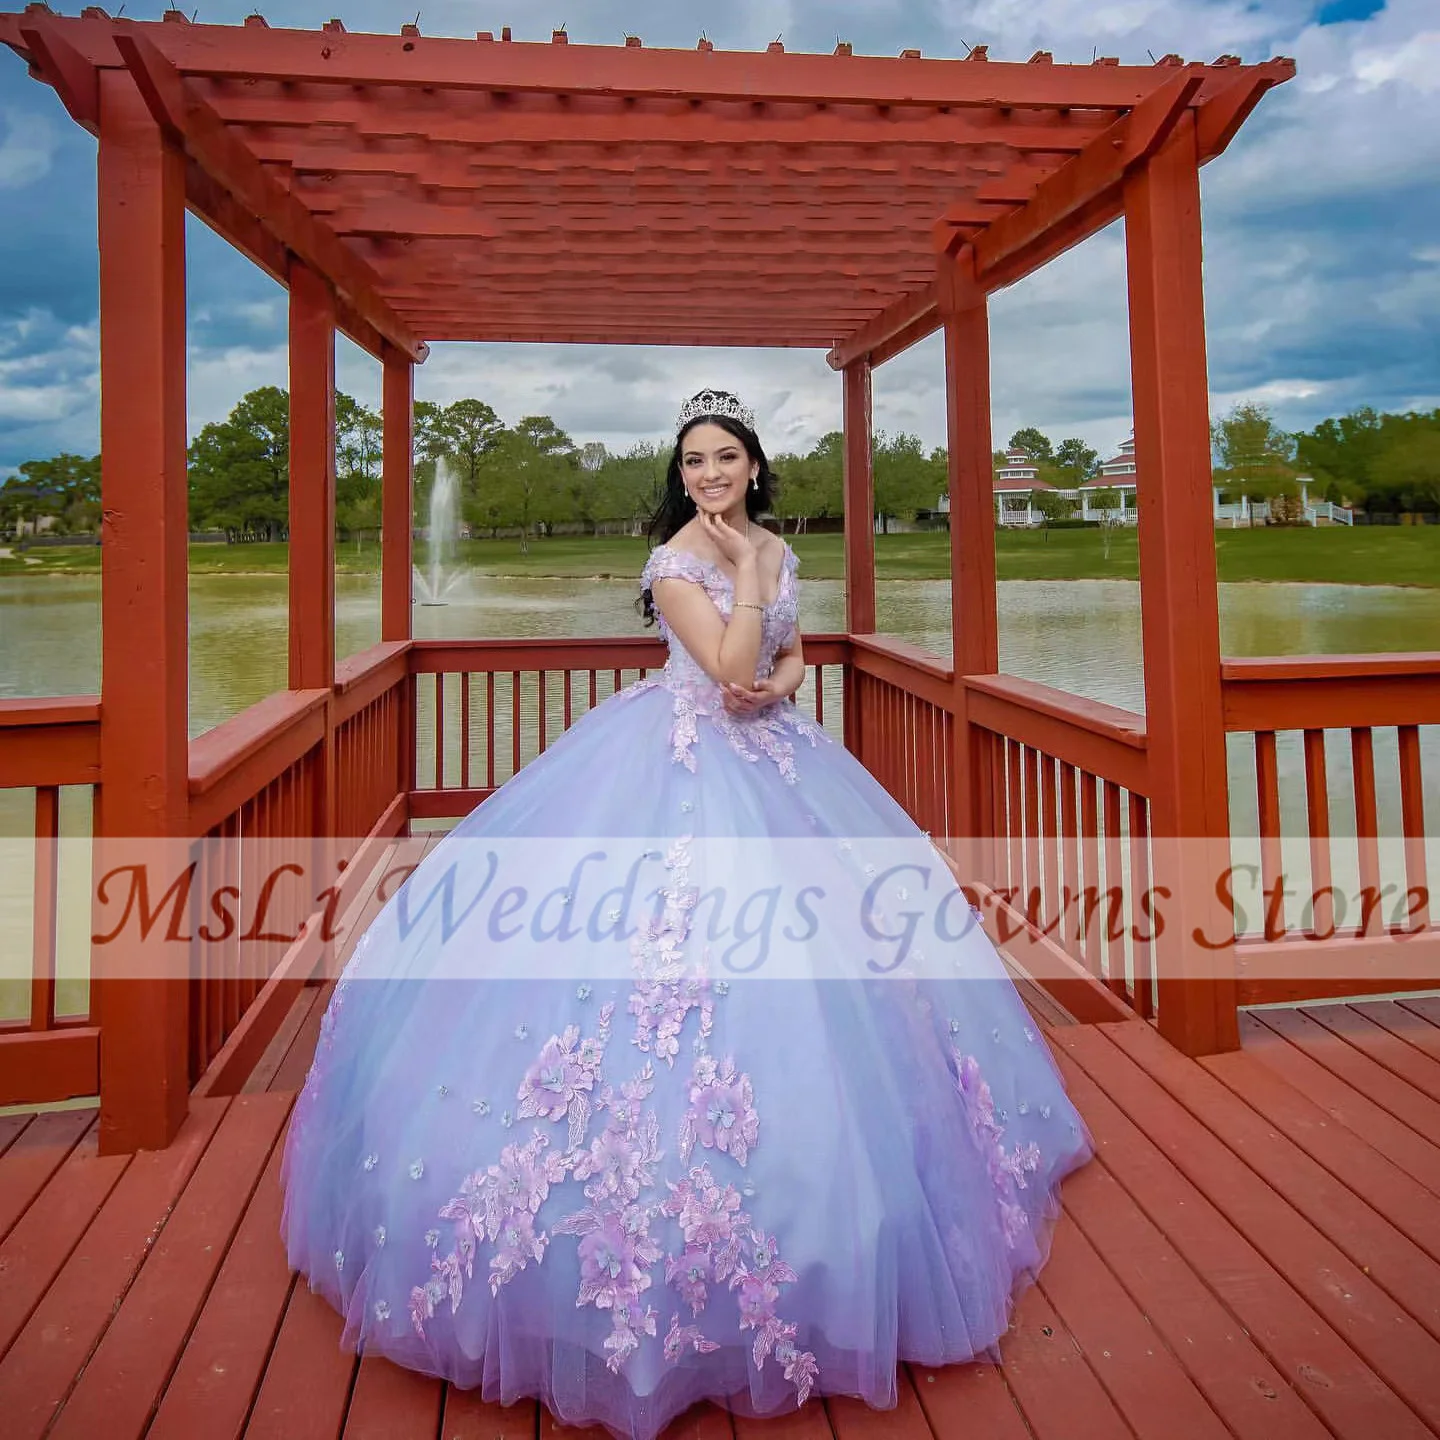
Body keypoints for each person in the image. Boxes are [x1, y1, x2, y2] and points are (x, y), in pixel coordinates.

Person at [281, 388, 1091, 1440]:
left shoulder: (772, 550)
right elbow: (722, 665)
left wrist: (786, 666)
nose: (710, 474)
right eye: (694, 461)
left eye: (726, 457)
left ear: (755, 464)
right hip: (673, 771)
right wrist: (752, 608)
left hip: (775, 761)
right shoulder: (677, 562)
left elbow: (780, 659)